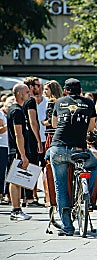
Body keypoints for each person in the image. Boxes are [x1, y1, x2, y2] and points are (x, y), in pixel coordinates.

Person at [48, 78, 97, 236]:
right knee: (94, 164)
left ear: (65, 91)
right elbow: (91, 127)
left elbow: (55, 124)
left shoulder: (59, 102)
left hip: (57, 148)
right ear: (81, 90)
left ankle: (67, 227)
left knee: (61, 187)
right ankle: (86, 197)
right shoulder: (89, 102)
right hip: (78, 149)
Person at [7, 84, 32, 220]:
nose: (29, 94)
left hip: (18, 150)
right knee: (15, 180)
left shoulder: (19, 109)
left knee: (17, 180)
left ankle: (17, 209)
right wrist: (22, 155)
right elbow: (18, 134)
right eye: (26, 92)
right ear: (18, 94)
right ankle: (15, 210)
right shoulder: (16, 111)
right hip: (16, 150)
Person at [22, 77, 43, 207]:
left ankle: (27, 197)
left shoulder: (23, 101)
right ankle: (30, 198)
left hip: (23, 136)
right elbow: (33, 121)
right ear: (30, 86)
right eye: (36, 85)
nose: (38, 88)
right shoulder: (30, 101)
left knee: (26, 166)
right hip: (30, 137)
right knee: (32, 166)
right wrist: (39, 140)